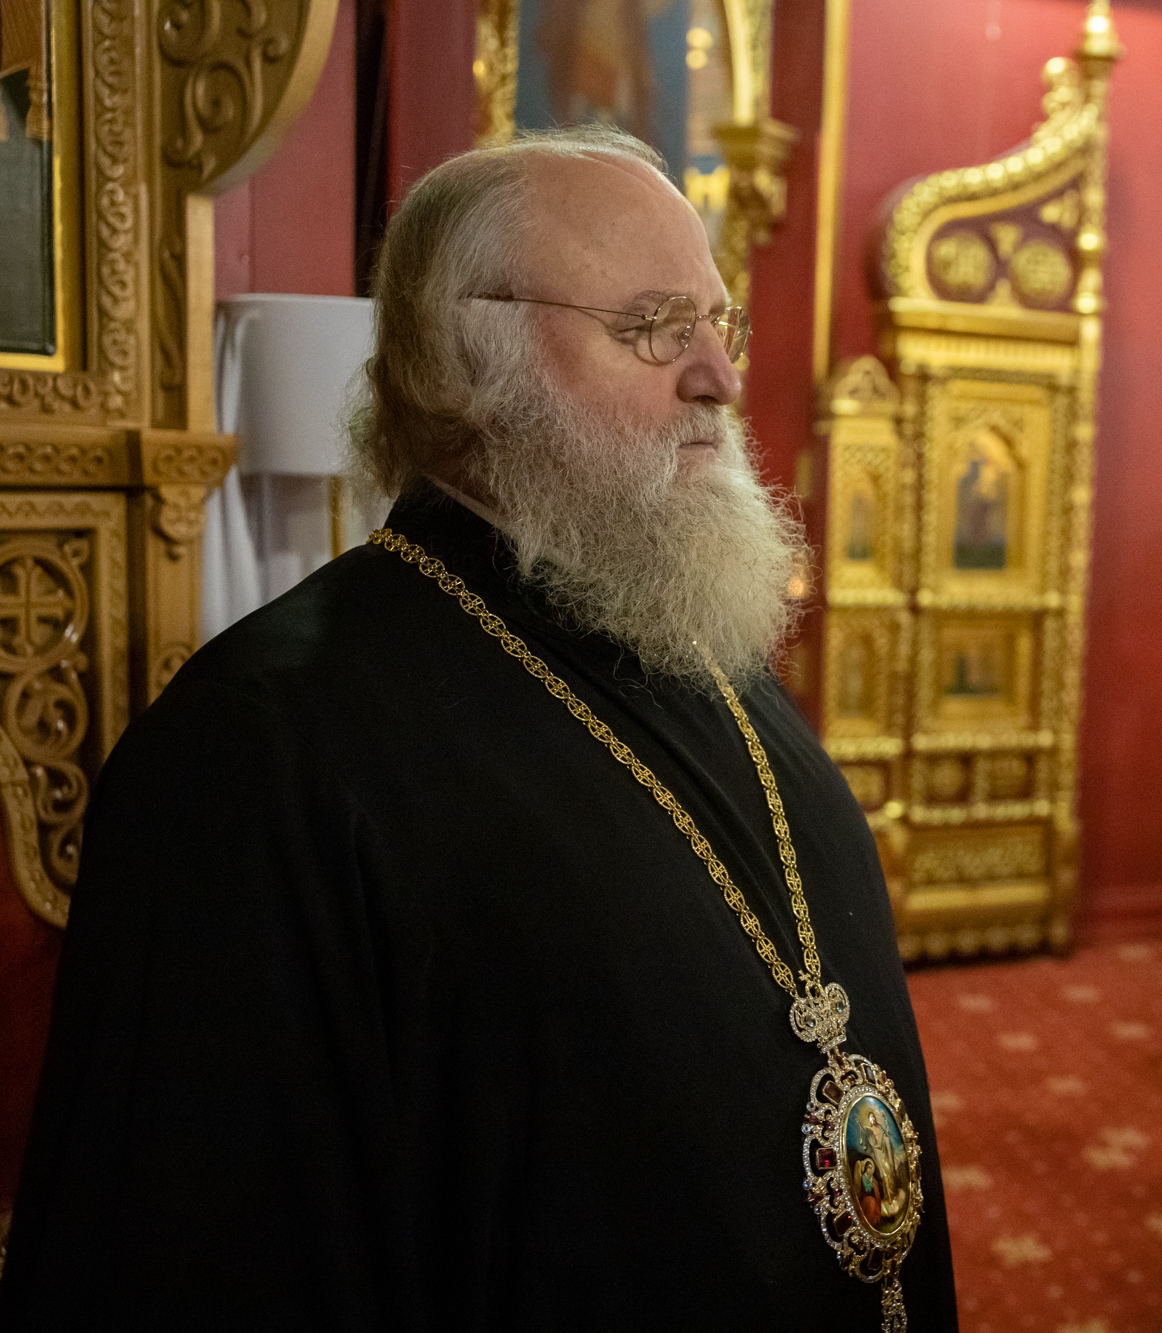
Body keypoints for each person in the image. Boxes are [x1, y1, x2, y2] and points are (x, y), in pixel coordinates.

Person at [0, 126, 954, 1329]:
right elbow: (208, 1246)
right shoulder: (259, 751)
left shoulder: (688, 638)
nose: (718, 374)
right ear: (465, 359)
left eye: (721, 322)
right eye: (653, 326)